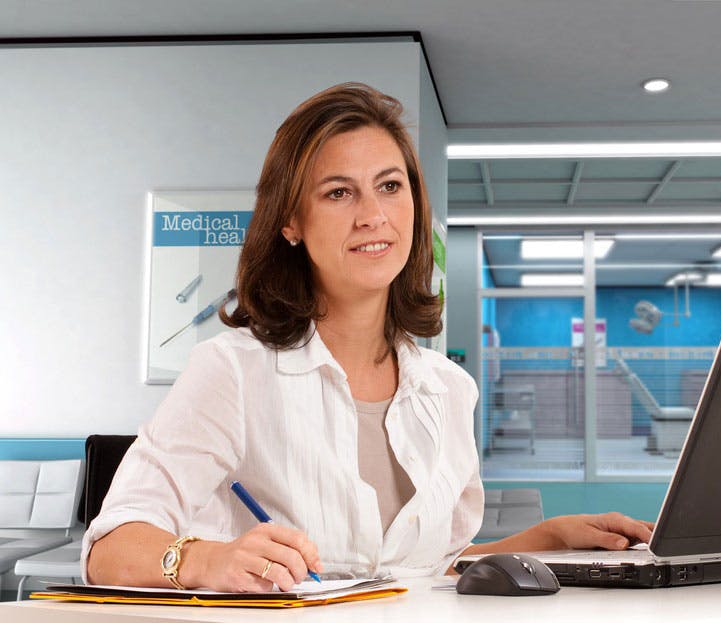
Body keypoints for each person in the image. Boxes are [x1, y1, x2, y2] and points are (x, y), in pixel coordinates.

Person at [84, 82, 652, 592]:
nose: (373, 215)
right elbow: (108, 548)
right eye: (339, 192)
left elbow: (428, 572)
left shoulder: (449, 389)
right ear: (291, 222)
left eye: (390, 186)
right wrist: (207, 560)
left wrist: (548, 539)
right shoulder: (233, 371)